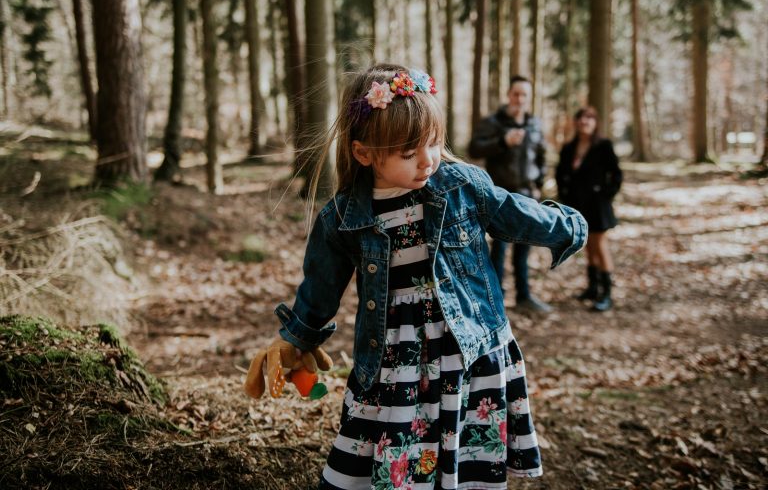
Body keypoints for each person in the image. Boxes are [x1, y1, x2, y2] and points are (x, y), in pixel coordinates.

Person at [244, 64, 587, 489]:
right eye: (409, 154)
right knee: (381, 461)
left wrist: (569, 227)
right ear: (364, 153)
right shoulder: (342, 217)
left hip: (465, 351)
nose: (428, 160)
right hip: (393, 362)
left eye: (434, 143)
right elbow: (320, 288)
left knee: (460, 467)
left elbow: (515, 213)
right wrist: (296, 338)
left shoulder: (461, 186)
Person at [468, 76, 552, 314]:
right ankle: (496, 298)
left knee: (524, 246)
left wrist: (538, 184)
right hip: (501, 195)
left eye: (524, 95)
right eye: (516, 94)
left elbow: (541, 157)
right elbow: (474, 148)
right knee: (500, 247)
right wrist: (503, 141)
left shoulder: (534, 124)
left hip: (527, 195)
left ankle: (524, 296)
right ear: (508, 95)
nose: (520, 99)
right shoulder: (493, 122)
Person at [555, 106, 622, 312]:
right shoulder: (569, 147)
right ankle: (593, 288)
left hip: (598, 205)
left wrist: (606, 194)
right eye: (581, 118)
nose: (584, 122)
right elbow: (560, 173)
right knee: (588, 246)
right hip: (577, 205)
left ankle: (607, 293)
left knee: (599, 245)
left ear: (595, 122)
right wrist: (564, 196)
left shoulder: (603, 146)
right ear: (576, 122)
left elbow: (616, 174)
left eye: (589, 118)